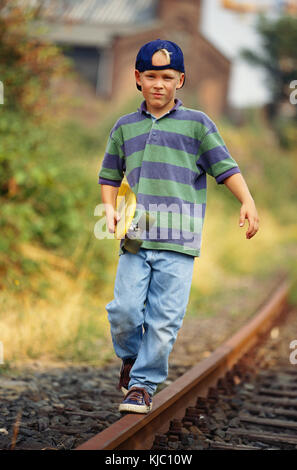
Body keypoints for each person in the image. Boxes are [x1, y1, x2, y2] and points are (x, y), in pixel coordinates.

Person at [98, 39, 259, 414]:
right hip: (136, 235)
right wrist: (108, 210)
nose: (159, 84)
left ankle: (142, 385)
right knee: (123, 310)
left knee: (163, 320)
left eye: (167, 77)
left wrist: (247, 200)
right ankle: (131, 357)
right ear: (137, 78)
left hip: (180, 242)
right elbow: (109, 175)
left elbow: (225, 168)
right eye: (151, 76)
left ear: (180, 80)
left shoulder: (198, 125)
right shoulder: (124, 128)